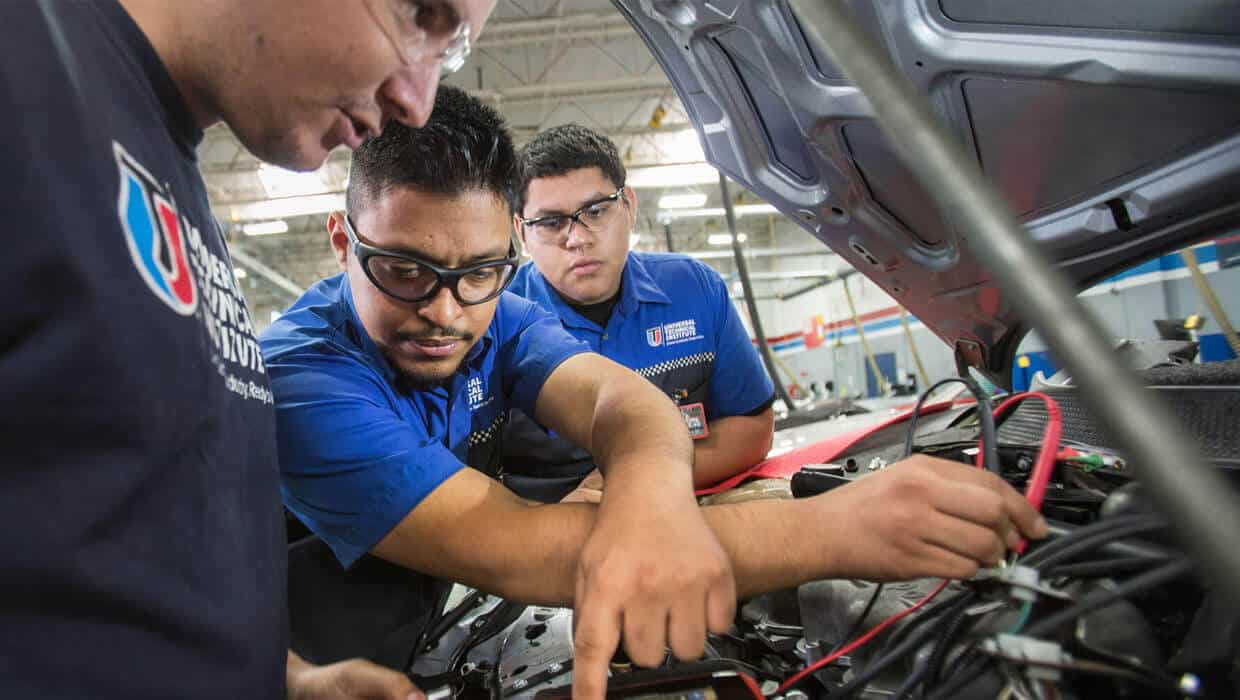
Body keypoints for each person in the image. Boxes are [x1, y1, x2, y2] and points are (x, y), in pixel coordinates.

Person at [261, 87, 1049, 700]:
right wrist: (833, 529)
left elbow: (624, 404)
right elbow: (522, 553)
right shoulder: (302, 381)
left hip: (448, 607)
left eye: (478, 272)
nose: (444, 310)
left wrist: (649, 498)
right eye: (403, 271)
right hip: (339, 656)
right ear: (343, 242)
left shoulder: (501, 312)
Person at [0, 0, 497, 697]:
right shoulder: (25, 73)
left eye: (450, 52)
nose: (417, 101)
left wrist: (289, 680)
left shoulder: (154, 151)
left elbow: (120, 553)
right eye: (419, 13)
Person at [503, 125, 775, 502]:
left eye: (596, 212)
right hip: (548, 521)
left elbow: (752, 428)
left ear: (628, 207)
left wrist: (634, 479)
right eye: (551, 222)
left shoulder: (695, 290)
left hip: (679, 495)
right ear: (522, 233)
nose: (578, 238)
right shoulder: (493, 324)